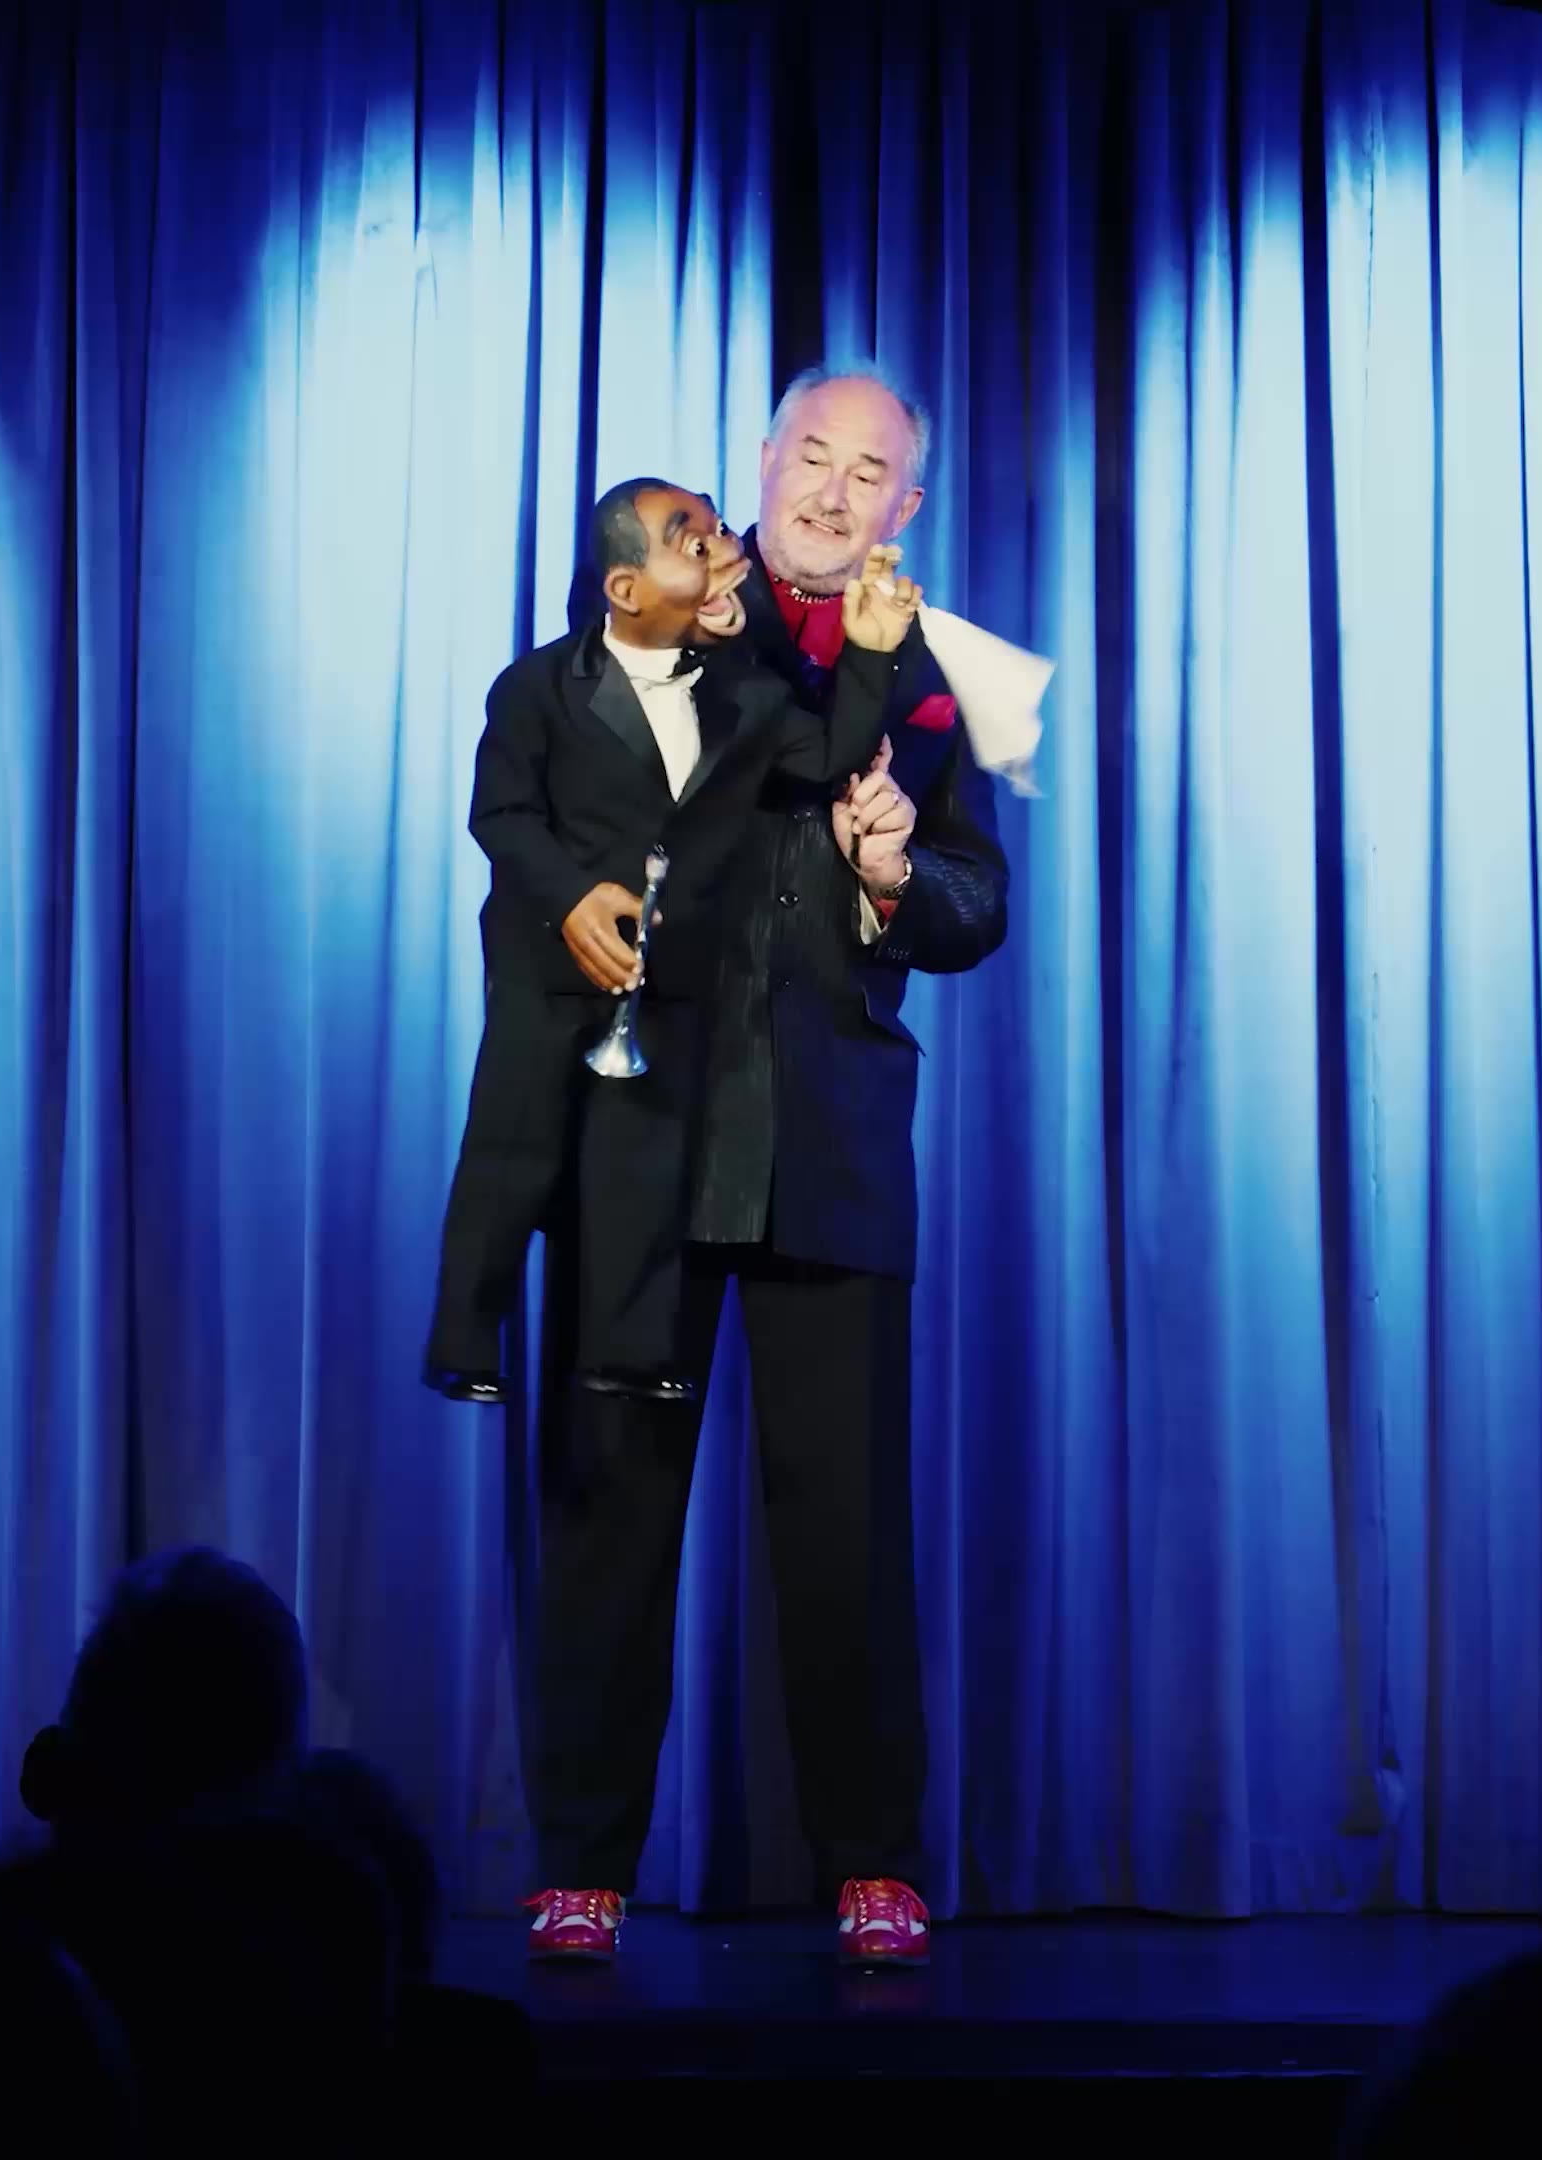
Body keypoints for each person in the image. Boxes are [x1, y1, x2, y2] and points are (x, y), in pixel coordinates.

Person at [517, 367, 1008, 1971]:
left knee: (844, 1530)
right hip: (648, 1137)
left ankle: (873, 1859)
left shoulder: (937, 678)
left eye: (871, 473)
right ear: (764, 457)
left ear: (904, 508)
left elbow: (979, 904)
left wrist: (897, 876)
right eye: (814, 455)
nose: (832, 490)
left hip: (831, 1148)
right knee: (614, 1512)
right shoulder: (663, 607)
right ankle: (582, 1860)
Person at [422, 478, 916, 1401]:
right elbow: (503, 816)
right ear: (626, 590)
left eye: (721, 530)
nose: (729, 551)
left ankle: (630, 1353)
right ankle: (464, 1337)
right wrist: (570, 898)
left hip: (669, 974)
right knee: (513, 1152)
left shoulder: (747, 696)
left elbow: (831, 757)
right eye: (695, 545)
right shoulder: (540, 686)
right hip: (550, 971)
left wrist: (873, 653)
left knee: (641, 1168)